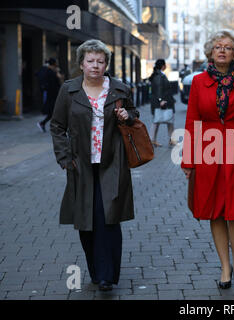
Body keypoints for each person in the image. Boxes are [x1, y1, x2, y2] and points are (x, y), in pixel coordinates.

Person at [181, 29, 234, 290]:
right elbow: (192, 121)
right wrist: (188, 160)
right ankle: (225, 267)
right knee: (214, 210)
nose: (222, 50)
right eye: (218, 46)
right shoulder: (197, 82)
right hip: (208, 154)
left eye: (228, 47)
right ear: (210, 51)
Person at [50, 39, 139, 292]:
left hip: (113, 162)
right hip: (81, 165)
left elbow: (134, 116)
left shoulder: (120, 89)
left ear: (106, 64)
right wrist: (65, 157)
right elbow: (57, 126)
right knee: (86, 219)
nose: (95, 66)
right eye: (90, 61)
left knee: (108, 216)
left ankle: (107, 276)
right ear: (81, 64)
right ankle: (96, 270)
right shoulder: (69, 91)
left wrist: (127, 116)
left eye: (100, 61)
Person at [149, 59, 176, 147]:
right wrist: (161, 100)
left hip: (162, 101)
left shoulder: (158, 74)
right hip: (161, 102)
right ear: (163, 66)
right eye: (165, 65)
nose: (166, 66)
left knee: (165, 121)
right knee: (157, 121)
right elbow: (159, 88)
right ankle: (152, 140)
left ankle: (170, 139)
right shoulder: (159, 76)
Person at [36, 58, 63, 132]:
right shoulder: (51, 72)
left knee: (54, 112)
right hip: (53, 95)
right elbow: (58, 82)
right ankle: (43, 123)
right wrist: (58, 75)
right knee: (54, 111)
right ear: (54, 64)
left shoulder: (48, 71)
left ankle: (43, 123)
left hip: (51, 94)